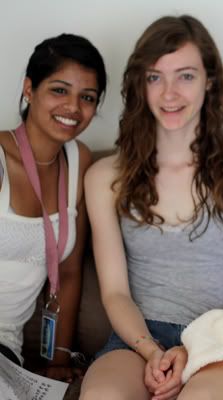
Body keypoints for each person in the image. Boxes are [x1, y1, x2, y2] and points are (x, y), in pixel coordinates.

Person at [79, 15, 223, 400]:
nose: (169, 93)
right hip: (137, 340)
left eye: (185, 76)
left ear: (209, 80)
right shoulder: (105, 177)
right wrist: (152, 351)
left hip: (217, 341)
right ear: (140, 84)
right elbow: (115, 292)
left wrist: (193, 348)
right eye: (155, 77)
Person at [0, 33, 106, 382]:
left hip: (6, 350)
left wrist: (58, 359)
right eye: (59, 90)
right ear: (29, 89)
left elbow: (69, 272)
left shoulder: (78, 161)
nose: (73, 107)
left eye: (87, 97)